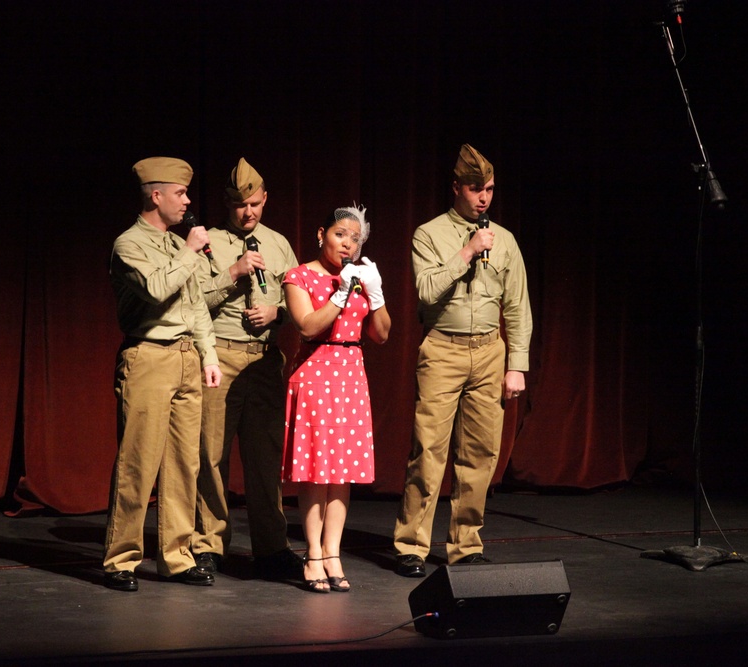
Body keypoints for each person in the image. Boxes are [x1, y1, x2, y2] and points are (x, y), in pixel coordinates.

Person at [393, 144, 532, 577]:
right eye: (475, 189)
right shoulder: (429, 234)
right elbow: (427, 290)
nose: (483, 197)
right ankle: (411, 545)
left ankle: (465, 544)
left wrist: (517, 364)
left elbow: (518, 307)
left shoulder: (505, 240)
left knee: (481, 453)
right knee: (429, 451)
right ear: (456, 188)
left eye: (489, 189)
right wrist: (468, 251)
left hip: (490, 351)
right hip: (443, 349)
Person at [103, 156, 222, 592]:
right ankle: (122, 558)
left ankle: (176, 556)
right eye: (180, 193)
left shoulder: (177, 245)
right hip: (149, 357)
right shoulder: (128, 244)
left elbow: (195, 307)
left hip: (188, 357)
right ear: (156, 195)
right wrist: (191, 251)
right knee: (139, 462)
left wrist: (209, 355)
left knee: (183, 465)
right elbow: (156, 290)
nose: (187, 201)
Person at [191, 157, 303, 580]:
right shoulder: (207, 242)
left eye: (254, 204)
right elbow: (192, 302)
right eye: (240, 205)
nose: (248, 213)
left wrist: (277, 315)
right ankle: (209, 546)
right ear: (227, 204)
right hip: (218, 354)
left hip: (264, 358)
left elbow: (300, 304)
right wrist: (232, 273)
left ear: (265, 200)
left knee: (264, 456)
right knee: (211, 454)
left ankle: (271, 548)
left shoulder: (278, 244)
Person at [282, 205, 391, 593]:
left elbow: (381, 334)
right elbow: (308, 325)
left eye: (355, 238)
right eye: (340, 234)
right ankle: (312, 554)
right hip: (316, 370)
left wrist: (374, 295)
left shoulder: (359, 277)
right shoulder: (299, 276)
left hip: (351, 371)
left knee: (343, 472)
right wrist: (342, 292)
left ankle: (333, 553)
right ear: (320, 234)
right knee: (315, 470)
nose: (348, 244)